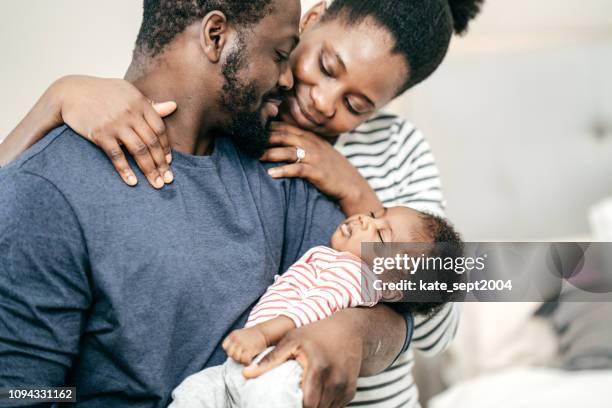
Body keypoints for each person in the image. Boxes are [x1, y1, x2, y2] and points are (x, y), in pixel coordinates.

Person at [0, 0, 483, 406]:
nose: (308, 94)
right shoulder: (55, 183)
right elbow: (27, 390)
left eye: (357, 105)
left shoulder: (304, 164)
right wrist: (56, 96)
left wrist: (353, 321)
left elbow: (422, 309)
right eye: (288, 56)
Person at [169, 207, 463, 408]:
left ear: (391, 289)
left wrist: (261, 333)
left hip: (284, 368)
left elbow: (312, 313)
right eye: (375, 214)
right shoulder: (333, 259)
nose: (365, 221)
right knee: (193, 392)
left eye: (381, 236)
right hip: (246, 365)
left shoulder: (357, 277)